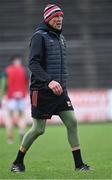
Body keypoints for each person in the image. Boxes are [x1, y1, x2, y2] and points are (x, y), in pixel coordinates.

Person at [11, 4, 91, 172]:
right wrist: (49, 81)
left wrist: (61, 82)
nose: (60, 19)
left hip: (60, 91)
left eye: (61, 17)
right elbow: (33, 63)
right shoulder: (39, 37)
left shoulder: (61, 38)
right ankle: (17, 163)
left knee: (72, 122)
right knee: (39, 129)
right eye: (56, 17)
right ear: (48, 19)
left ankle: (79, 165)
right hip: (41, 91)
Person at [1, 56, 28, 144]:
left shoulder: (7, 70)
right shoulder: (24, 70)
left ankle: (10, 138)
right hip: (22, 96)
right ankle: (21, 133)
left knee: (9, 116)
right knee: (22, 117)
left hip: (11, 97)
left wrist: (2, 95)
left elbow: (4, 84)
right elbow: (27, 83)